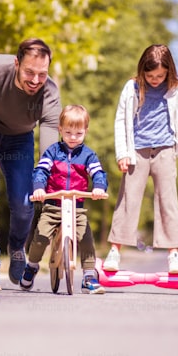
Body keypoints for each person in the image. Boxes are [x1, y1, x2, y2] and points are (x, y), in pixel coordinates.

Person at [0, 38, 61, 291]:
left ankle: (16, 247)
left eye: (42, 74)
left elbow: (49, 130)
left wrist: (47, 173)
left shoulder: (49, 91)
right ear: (17, 63)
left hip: (19, 140)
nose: (36, 80)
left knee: (24, 202)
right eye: (29, 72)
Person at [102, 44, 178, 274]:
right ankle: (115, 251)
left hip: (165, 150)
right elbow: (120, 121)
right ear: (142, 71)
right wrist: (122, 153)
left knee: (168, 201)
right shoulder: (132, 87)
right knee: (128, 199)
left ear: (169, 71)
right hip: (137, 152)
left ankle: (173, 254)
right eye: (150, 75)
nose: (155, 80)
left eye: (160, 75)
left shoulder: (177, 89)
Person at [22, 105, 109, 294]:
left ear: (86, 131)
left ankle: (88, 277)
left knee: (86, 238)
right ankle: (32, 266)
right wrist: (39, 188)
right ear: (60, 130)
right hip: (53, 204)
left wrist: (99, 187)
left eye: (78, 133)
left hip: (76, 207)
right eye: (68, 132)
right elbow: (41, 171)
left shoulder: (89, 155)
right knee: (41, 236)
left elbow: (98, 173)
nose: (73, 137)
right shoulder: (52, 152)